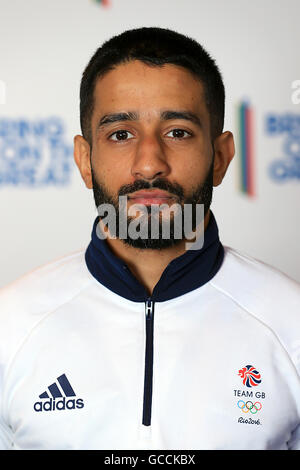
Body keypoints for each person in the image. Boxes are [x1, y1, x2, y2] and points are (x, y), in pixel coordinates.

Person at [0, 27, 299, 451]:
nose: (149, 164)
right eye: (121, 134)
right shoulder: (10, 325)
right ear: (85, 160)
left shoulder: (291, 325)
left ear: (222, 157)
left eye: (177, 131)